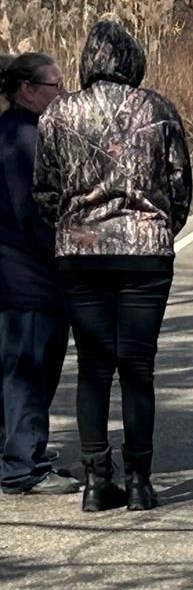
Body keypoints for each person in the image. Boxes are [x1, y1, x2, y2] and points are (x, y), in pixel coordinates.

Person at [34, 21, 192, 512]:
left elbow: (45, 188)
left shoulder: (59, 114)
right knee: (138, 368)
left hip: (81, 254)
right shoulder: (157, 108)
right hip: (146, 252)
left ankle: (96, 480)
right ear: (132, 60)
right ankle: (141, 481)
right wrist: (161, 227)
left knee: (94, 368)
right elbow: (180, 184)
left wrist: (72, 224)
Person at [0, 53, 81, 496]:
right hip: (28, 277)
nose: (62, 94)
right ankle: (22, 464)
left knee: (16, 369)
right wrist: (74, 242)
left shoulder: (14, 131)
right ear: (28, 90)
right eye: (55, 86)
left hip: (16, 274)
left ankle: (17, 449)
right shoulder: (23, 138)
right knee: (31, 370)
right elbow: (35, 212)